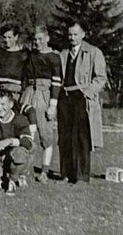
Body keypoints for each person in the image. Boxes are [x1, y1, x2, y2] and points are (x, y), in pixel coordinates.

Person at [57, 19, 106, 184]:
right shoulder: (63, 54)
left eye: (75, 34)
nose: (72, 38)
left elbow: (100, 78)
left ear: (83, 35)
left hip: (82, 99)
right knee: (64, 136)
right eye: (69, 35)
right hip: (65, 98)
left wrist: (87, 92)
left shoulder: (93, 52)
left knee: (81, 138)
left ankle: (81, 176)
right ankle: (65, 174)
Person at [20, 25, 62, 184]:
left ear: (47, 38)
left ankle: (44, 171)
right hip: (29, 93)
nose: (37, 42)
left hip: (45, 95)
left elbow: (57, 83)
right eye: (35, 39)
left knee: (46, 134)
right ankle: (25, 169)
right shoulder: (30, 55)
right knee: (26, 131)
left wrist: (53, 105)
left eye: (40, 39)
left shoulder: (54, 57)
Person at [0, 23, 28, 100]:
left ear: (16, 37)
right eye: (4, 37)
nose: (6, 40)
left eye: (9, 37)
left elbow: (25, 76)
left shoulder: (23, 54)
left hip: (14, 91)